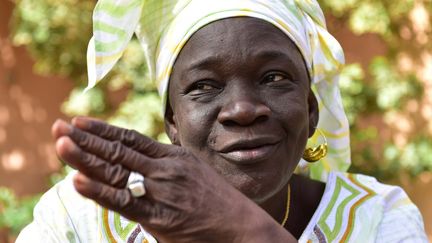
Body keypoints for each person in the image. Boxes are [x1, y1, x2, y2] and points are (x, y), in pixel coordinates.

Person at [17, 0, 428, 242]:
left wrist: (245, 229)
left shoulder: (376, 218)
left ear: (311, 106)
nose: (243, 109)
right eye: (204, 85)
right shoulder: (85, 218)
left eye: (274, 77)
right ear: (172, 122)